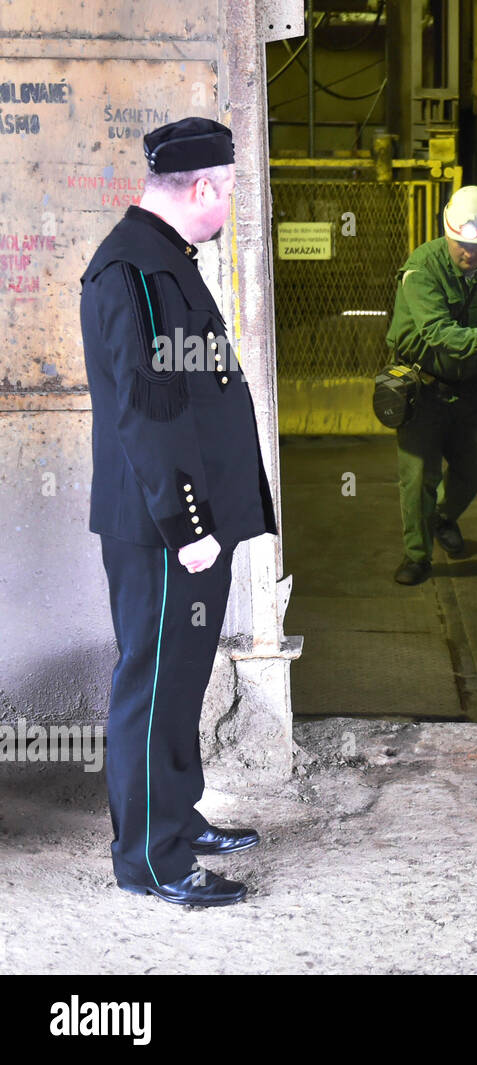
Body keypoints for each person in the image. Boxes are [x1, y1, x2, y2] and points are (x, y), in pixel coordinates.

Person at [81, 117, 276, 906]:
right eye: (227, 189)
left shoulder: (164, 260)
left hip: (188, 525)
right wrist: (190, 526)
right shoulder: (134, 272)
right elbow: (149, 412)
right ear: (201, 189)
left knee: (182, 678)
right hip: (166, 530)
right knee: (153, 685)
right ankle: (153, 862)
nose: (229, 201)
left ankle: (178, 816)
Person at [386, 185, 477, 585]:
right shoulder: (422, 268)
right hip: (423, 384)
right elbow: (435, 331)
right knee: (418, 476)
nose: (468, 252)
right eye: (461, 243)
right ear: (447, 231)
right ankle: (417, 556)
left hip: (474, 388)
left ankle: (443, 517)